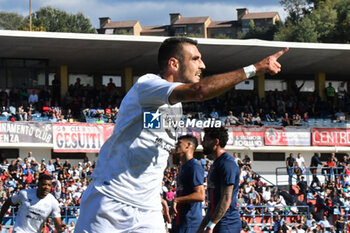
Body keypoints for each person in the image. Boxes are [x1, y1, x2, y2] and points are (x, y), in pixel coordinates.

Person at [74, 37, 288, 232]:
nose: (202, 65)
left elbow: (147, 137)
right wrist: (256, 68)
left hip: (147, 210)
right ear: (174, 64)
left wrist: (155, 196)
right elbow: (199, 91)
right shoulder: (147, 85)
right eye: (196, 59)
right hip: (109, 202)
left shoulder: (173, 107)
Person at [197, 126, 240, 233]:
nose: (202, 143)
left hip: (227, 225)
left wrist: (211, 226)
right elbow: (213, 203)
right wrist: (203, 225)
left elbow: (226, 199)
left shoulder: (227, 163)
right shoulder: (216, 163)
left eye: (205, 140)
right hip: (217, 223)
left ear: (216, 142)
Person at [0, 174, 66, 233]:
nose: (47, 187)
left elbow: (58, 224)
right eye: (44, 184)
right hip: (19, 230)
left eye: (49, 185)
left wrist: (60, 228)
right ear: (38, 184)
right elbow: (8, 202)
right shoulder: (25, 194)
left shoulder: (53, 202)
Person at [171, 135, 205, 233]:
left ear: (188, 145)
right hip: (180, 222)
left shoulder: (194, 166)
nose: (176, 145)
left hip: (190, 224)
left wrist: (176, 200)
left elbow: (200, 195)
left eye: (179, 143)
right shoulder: (183, 167)